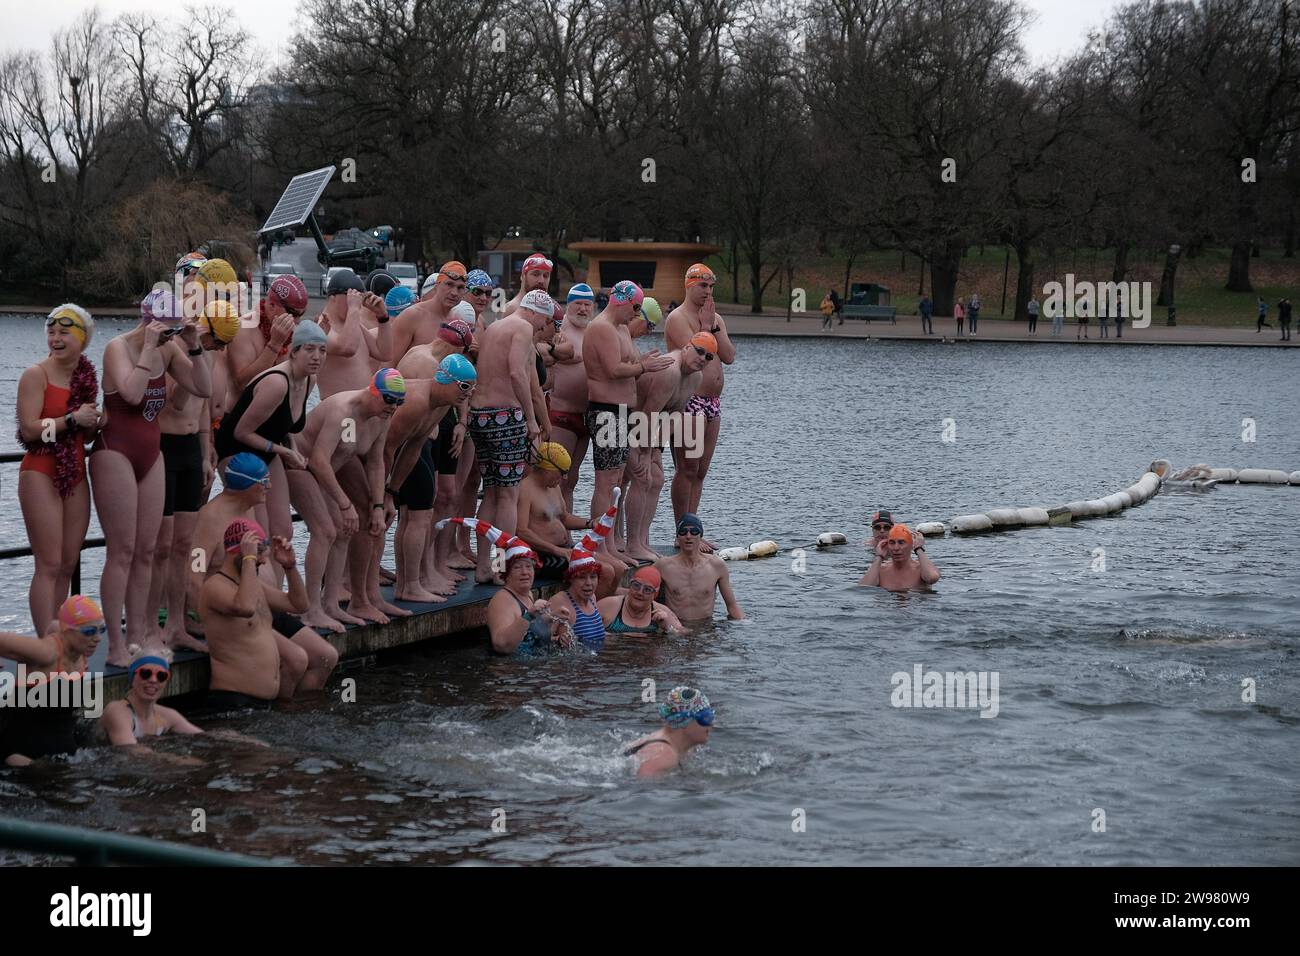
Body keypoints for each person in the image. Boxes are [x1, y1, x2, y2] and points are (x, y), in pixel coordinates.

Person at [92, 290, 212, 666]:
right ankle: (114, 643)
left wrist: (193, 346)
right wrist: (148, 348)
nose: (168, 337)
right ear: (146, 322)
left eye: (173, 331)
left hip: (151, 452)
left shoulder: (171, 348)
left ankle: (140, 635)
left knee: (146, 551)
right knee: (123, 551)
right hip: (115, 453)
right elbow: (129, 393)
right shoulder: (117, 348)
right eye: (164, 330)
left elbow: (205, 388)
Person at [148, 299, 238, 651]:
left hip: (190, 448)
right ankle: (153, 620)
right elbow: (178, 401)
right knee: (161, 545)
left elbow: (202, 407)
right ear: (208, 331)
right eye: (218, 342)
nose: (220, 350)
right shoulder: (173, 347)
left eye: (222, 345)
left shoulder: (206, 350)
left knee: (184, 545)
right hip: (164, 446)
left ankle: (177, 621)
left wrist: (206, 449)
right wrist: (193, 350)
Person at [296, 369, 406, 629]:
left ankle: (335, 603)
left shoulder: (381, 416)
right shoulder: (344, 411)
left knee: (351, 526)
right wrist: (344, 504)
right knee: (327, 530)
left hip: (331, 467)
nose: (394, 407)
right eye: (389, 399)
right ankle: (311, 608)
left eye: (399, 402)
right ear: (373, 391)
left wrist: (378, 506)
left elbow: (376, 464)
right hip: (299, 466)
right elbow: (319, 461)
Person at [17, 305, 101, 636]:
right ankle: (45, 642)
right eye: (51, 332)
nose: (55, 338)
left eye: (64, 333)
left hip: (75, 472)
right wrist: (70, 421)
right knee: (49, 564)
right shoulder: (35, 375)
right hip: (40, 471)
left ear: (82, 339)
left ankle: (60, 635)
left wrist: (95, 424)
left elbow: (87, 434)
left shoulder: (87, 378)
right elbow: (30, 431)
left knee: (68, 563)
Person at [215, 318, 323, 557]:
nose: (317, 357)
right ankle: (250, 589)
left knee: (283, 531)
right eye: (309, 349)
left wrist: (293, 449)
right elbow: (240, 432)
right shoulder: (276, 382)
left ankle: (274, 590)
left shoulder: (308, 380)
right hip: (237, 449)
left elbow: (283, 425)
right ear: (293, 352)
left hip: (267, 449)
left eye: (322, 350)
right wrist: (285, 452)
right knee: (259, 532)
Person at [467, 288, 550, 584]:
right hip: (505, 416)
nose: (542, 328)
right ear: (537, 312)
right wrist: (531, 419)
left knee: (491, 491)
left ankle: (483, 566)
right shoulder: (524, 327)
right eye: (545, 321)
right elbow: (517, 373)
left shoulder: (496, 325)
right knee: (509, 494)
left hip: (479, 415)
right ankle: (503, 566)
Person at [385, 354, 476, 602]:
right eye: (465, 387)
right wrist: (382, 493)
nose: (468, 394)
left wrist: (393, 490)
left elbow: (413, 445)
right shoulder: (416, 400)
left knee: (415, 515)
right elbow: (387, 448)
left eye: (472, 388)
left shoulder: (442, 401)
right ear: (447, 380)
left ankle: (407, 585)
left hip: (413, 450)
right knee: (418, 516)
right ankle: (410, 585)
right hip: (383, 453)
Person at [586, 280, 674, 536]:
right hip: (605, 411)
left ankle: (611, 543)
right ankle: (600, 544)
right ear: (621, 300)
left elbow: (627, 366)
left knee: (616, 480)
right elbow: (614, 370)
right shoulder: (602, 327)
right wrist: (644, 367)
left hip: (620, 412)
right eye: (636, 307)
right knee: (606, 481)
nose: (637, 313)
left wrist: (642, 362)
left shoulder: (620, 328)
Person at [199, 519, 311, 711]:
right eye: (258, 553)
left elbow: (299, 605)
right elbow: (246, 608)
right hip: (233, 705)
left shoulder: (253, 587)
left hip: (259, 707)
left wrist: (290, 567)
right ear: (238, 550)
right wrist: (249, 559)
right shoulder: (214, 587)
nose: (263, 560)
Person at [624, 332, 713, 564]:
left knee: (657, 478)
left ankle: (641, 540)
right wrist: (644, 452)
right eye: (699, 351)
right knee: (639, 478)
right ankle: (629, 543)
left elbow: (673, 415)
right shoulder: (670, 371)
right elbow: (648, 414)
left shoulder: (695, 378)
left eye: (709, 356)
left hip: (647, 429)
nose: (702, 358)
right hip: (625, 421)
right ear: (686, 347)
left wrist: (655, 451)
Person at [665, 264, 736, 547]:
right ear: (688, 285)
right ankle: (682, 530)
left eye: (711, 286)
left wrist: (714, 325)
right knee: (687, 467)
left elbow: (729, 356)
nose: (707, 291)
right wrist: (707, 328)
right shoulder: (677, 318)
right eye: (702, 286)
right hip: (688, 400)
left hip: (712, 402)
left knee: (701, 471)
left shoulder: (715, 317)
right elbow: (699, 354)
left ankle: (693, 529)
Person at [438, 518, 572, 655]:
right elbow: (501, 645)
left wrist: (555, 625)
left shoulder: (528, 595)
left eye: (528, 567)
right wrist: (529, 615)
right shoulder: (502, 600)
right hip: (510, 671)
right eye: (517, 567)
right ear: (506, 574)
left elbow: (532, 636)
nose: (525, 572)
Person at [0, 595, 103, 766]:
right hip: (22, 757)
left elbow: (54, 625)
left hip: (64, 755)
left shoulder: (80, 651)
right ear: (68, 631)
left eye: (101, 630)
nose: (98, 638)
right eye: (89, 631)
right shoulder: (45, 652)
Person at [548, 283, 597, 513]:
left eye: (588, 305)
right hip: (561, 413)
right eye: (578, 304)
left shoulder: (593, 331)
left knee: (571, 479)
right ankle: (548, 530)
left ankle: (563, 531)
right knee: (554, 477)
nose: (583, 309)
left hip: (585, 417)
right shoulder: (559, 330)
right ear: (569, 304)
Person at [100, 646, 202, 745]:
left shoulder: (166, 715)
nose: (153, 680)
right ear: (132, 676)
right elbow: (131, 751)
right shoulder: (116, 711)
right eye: (145, 673)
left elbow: (205, 737)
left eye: (161, 676)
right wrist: (177, 761)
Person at [653, 513, 744, 622]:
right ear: (677, 536)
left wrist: (744, 625)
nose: (688, 536)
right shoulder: (663, 566)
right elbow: (641, 595)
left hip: (706, 628)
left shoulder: (717, 565)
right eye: (683, 532)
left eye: (694, 532)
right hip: (676, 628)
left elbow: (732, 606)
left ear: (701, 536)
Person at [624, 686, 714, 778]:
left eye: (712, 716)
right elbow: (641, 787)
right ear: (683, 721)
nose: (711, 724)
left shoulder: (687, 748)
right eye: (706, 718)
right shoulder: (662, 755)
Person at [390, 261, 467, 358]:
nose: (454, 293)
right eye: (449, 284)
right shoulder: (412, 316)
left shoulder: (458, 322)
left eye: (460, 287)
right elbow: (388, 365)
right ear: (437, 286)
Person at [599, 565, 683, 636]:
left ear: (655, 594)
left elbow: (684, 634)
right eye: (636, 585)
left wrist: (668, 628)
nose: (640, 592)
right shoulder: (609, 605)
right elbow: (586, 630)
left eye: (647, 590)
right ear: (630, 586)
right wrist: (616, 636)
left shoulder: (663, 612)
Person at [859, 523, 940, 592]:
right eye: (892, 543)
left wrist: (919, 549)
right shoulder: (880, 570)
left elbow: (932, 578)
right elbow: (863, 589)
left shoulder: (921, 569)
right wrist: (879, 557)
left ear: (911, 545)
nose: (896, 548)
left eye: (901, 542)